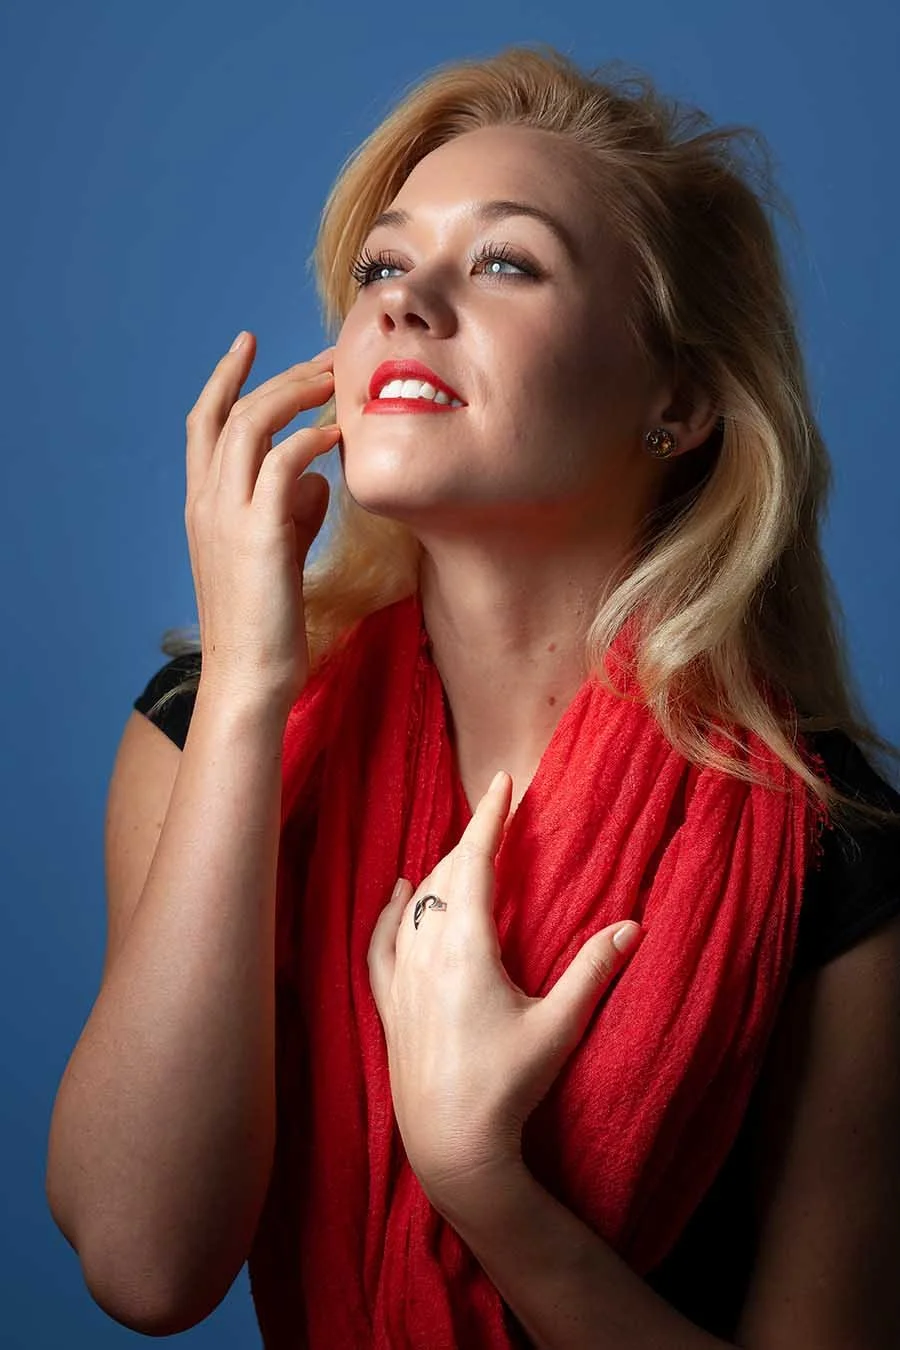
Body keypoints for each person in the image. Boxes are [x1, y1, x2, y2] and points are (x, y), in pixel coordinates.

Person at [47, 43, 900, 1349]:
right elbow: (142, 1257)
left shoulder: (836, 850)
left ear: (676, 401)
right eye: (384, 266)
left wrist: (487, 1183)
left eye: (504, 261)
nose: (403, 303)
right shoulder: (210, 719)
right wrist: (250, 684)